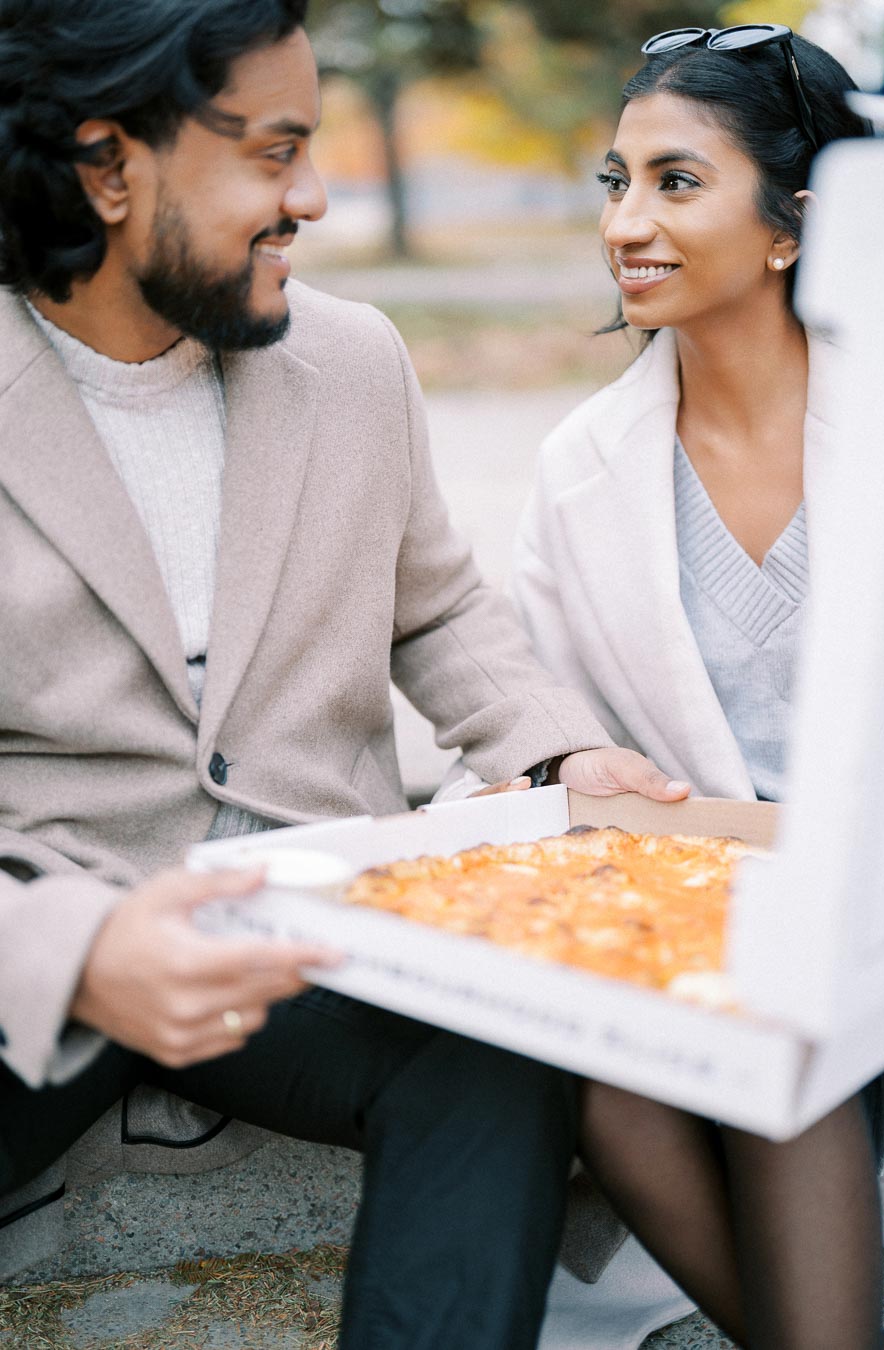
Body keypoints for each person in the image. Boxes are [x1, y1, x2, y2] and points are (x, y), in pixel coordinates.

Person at [0, 1, 695, 1343]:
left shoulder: (353, 361)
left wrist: (556, 752)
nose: (312, 198)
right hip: (35, 926)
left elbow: (435, 609)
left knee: (498, 1042)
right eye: (272, 151)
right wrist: (73, 951)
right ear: (106, 164)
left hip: (305, 918)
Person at [511, 24, 884, 1350]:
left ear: (793, 223)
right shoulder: (581, 467)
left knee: (775, 1018)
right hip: (718, 930)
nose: (627, 221)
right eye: (615, 182)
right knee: (628, 1076)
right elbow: (558, 736)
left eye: (677, 181)